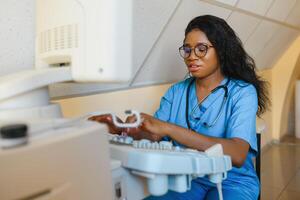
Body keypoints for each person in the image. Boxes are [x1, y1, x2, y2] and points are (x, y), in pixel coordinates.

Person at [89, 15, 269, 200]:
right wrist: (123, 129)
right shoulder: (177, 92)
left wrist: (169, 128)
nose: (191, 56)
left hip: (233, 182)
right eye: (187, 49)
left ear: (221, 50)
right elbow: (154, 136)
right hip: (187, 177)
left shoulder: (243, 92)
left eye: (201, 49)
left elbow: (238, 154)